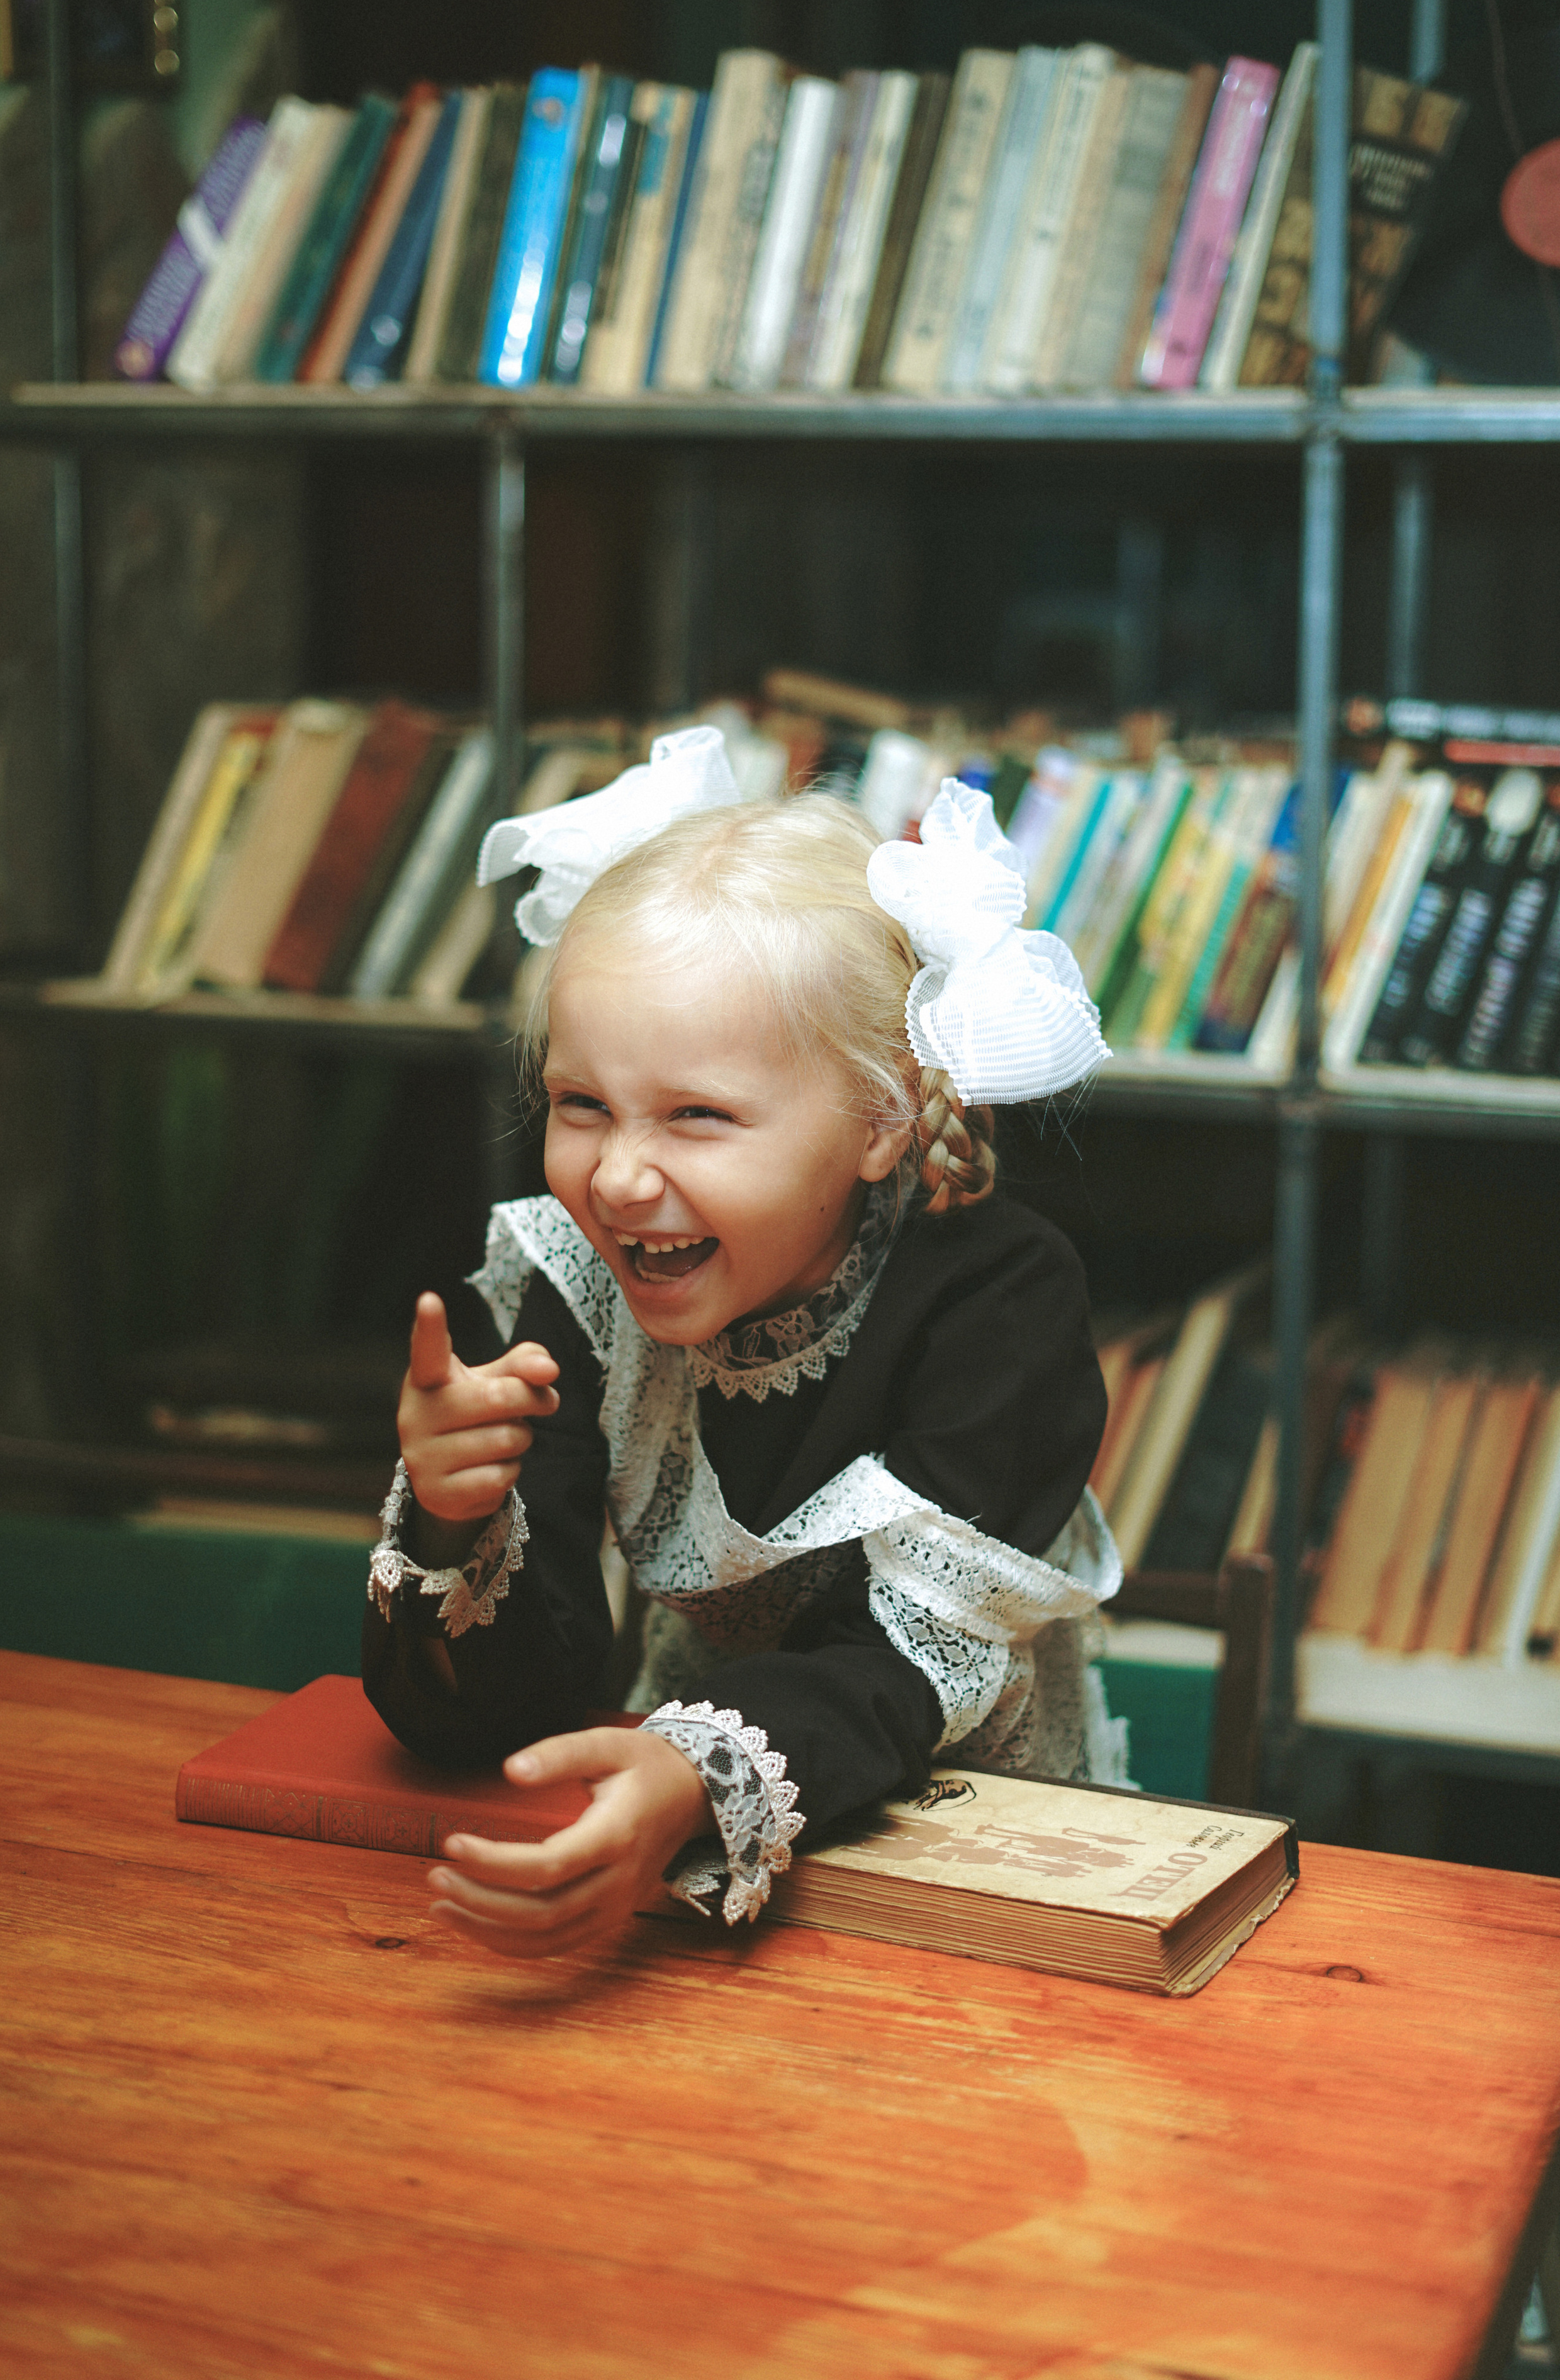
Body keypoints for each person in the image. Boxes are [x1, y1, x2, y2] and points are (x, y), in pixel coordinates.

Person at [363, 725, 1123, 1960]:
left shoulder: (1000, 1303)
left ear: (879, 1119)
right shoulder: (580, 1281)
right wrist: (455, 1518)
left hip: (978, 1865)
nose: (614, 1177)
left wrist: (693, 1769)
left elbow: (898, 1671)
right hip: (677, 1852)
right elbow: (505, 1722)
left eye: (697, 1117)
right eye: (579, 1105)